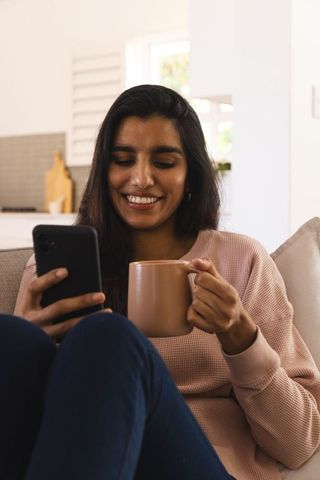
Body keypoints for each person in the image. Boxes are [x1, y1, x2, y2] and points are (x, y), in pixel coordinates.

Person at [5, 84, 320, 479]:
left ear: (191, 174)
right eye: (123, 160)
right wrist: (32, 337)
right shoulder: (55, 270)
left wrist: (241, 337)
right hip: (87, 458)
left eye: (164, 163)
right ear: (104, 172)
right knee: (10, 337)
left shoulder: (241, 261)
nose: (141, 179)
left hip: (197, 464)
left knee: (109, 337)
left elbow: (298, 443)